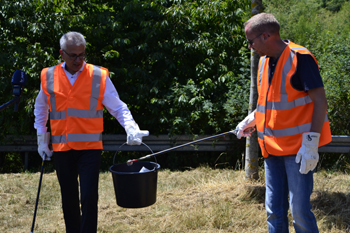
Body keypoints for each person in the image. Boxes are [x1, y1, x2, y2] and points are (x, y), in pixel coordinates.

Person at [34, 31, 149, 233]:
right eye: (73, 55)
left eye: (82, 55)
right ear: (62, 54)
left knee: (88, 197)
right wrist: (42, 140)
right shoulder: (49, 76)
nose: (78, 60)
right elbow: (41, 108)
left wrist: (131, 127)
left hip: (89, 148)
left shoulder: (97, 76)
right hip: (62, 147)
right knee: (68, 198)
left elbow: (117, 107)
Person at [235, 13, 332, 233]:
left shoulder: (300, 57)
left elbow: (320, 102)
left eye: (251, 41)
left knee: (299, 211)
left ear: (266, 35)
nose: (249, 47)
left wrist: (310, 144)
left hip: (298, 151)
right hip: (271, 149)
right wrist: (251, 120)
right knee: (274, 211)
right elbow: (269, 104)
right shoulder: (263, 62)